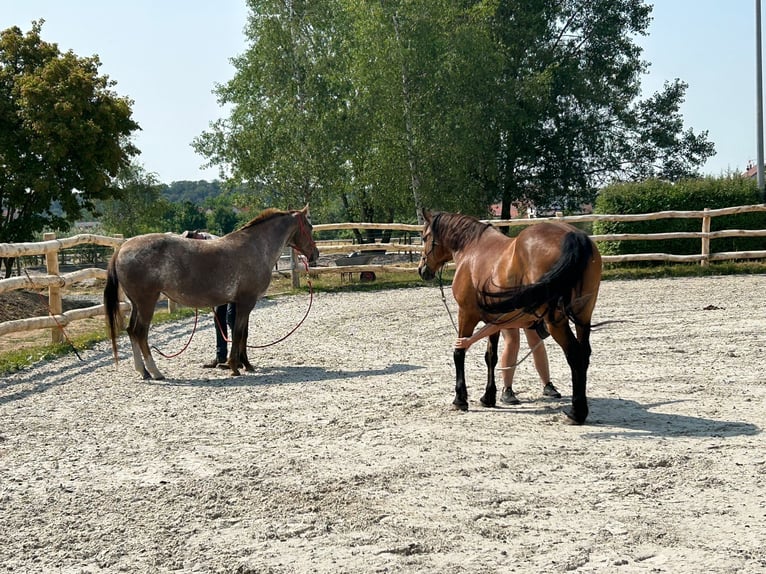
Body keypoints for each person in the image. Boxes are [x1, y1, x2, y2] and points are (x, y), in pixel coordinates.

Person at [455, 324, 561, 404]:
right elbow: (496, 324)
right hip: (510, 304)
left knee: (536, 340)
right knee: (512, 341)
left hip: (527, 304)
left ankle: (547, 384)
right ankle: (507, 389)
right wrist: (471, 340)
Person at [181, 229, 237, 369]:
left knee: (232, 318)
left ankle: (237, 356)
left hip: (234, 284)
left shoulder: (214, 242)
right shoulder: (200, 247)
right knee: (219, 317)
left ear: (197, 236)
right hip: (221, 288)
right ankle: (221, 356)